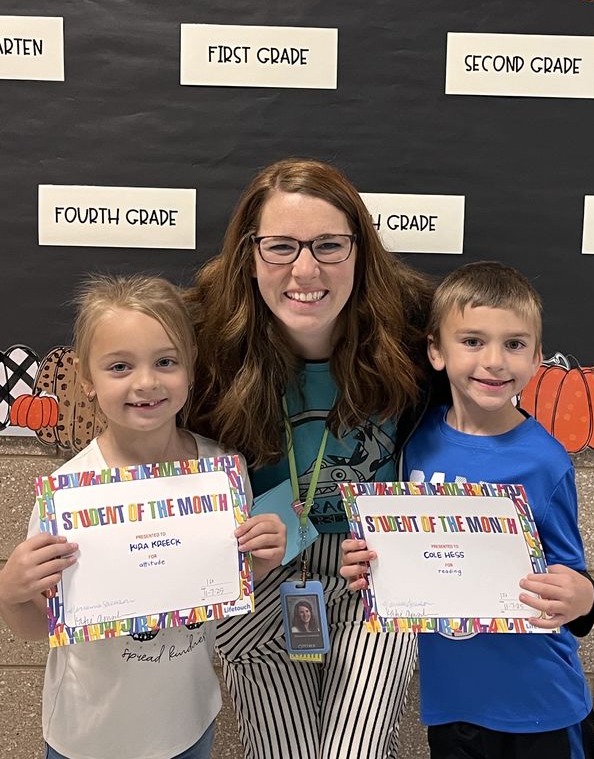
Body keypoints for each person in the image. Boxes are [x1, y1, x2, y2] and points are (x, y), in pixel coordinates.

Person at [187, 158, 434, 759]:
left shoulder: (414, 330)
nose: (305, 269)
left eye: (329, 245)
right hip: (263, 568)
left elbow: (483, 415)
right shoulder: (205, 339)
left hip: (368, 567)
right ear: (249, 254)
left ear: (360, 250)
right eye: (281, 247)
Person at [0, 274, 286, 759]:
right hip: (87, 738)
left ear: (191, 366)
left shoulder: (223, 471)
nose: (146, 382)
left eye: (165, 362)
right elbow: (38, 626)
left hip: (188, 723)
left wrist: (260, 561)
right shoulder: (69, 496)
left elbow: (222, 585)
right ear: (87, 380)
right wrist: (10, 592)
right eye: (119, 366)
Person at [342, 261, 594, 759]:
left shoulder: (544, 460)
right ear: (436, 352)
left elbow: (574, 575)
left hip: (540, 704)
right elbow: (398, 551)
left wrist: (582, 597)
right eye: (473, 341)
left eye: (515, 344)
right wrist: (367, 566)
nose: (495, 361)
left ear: (538, 357)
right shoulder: (414, 441)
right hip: (452, 706)